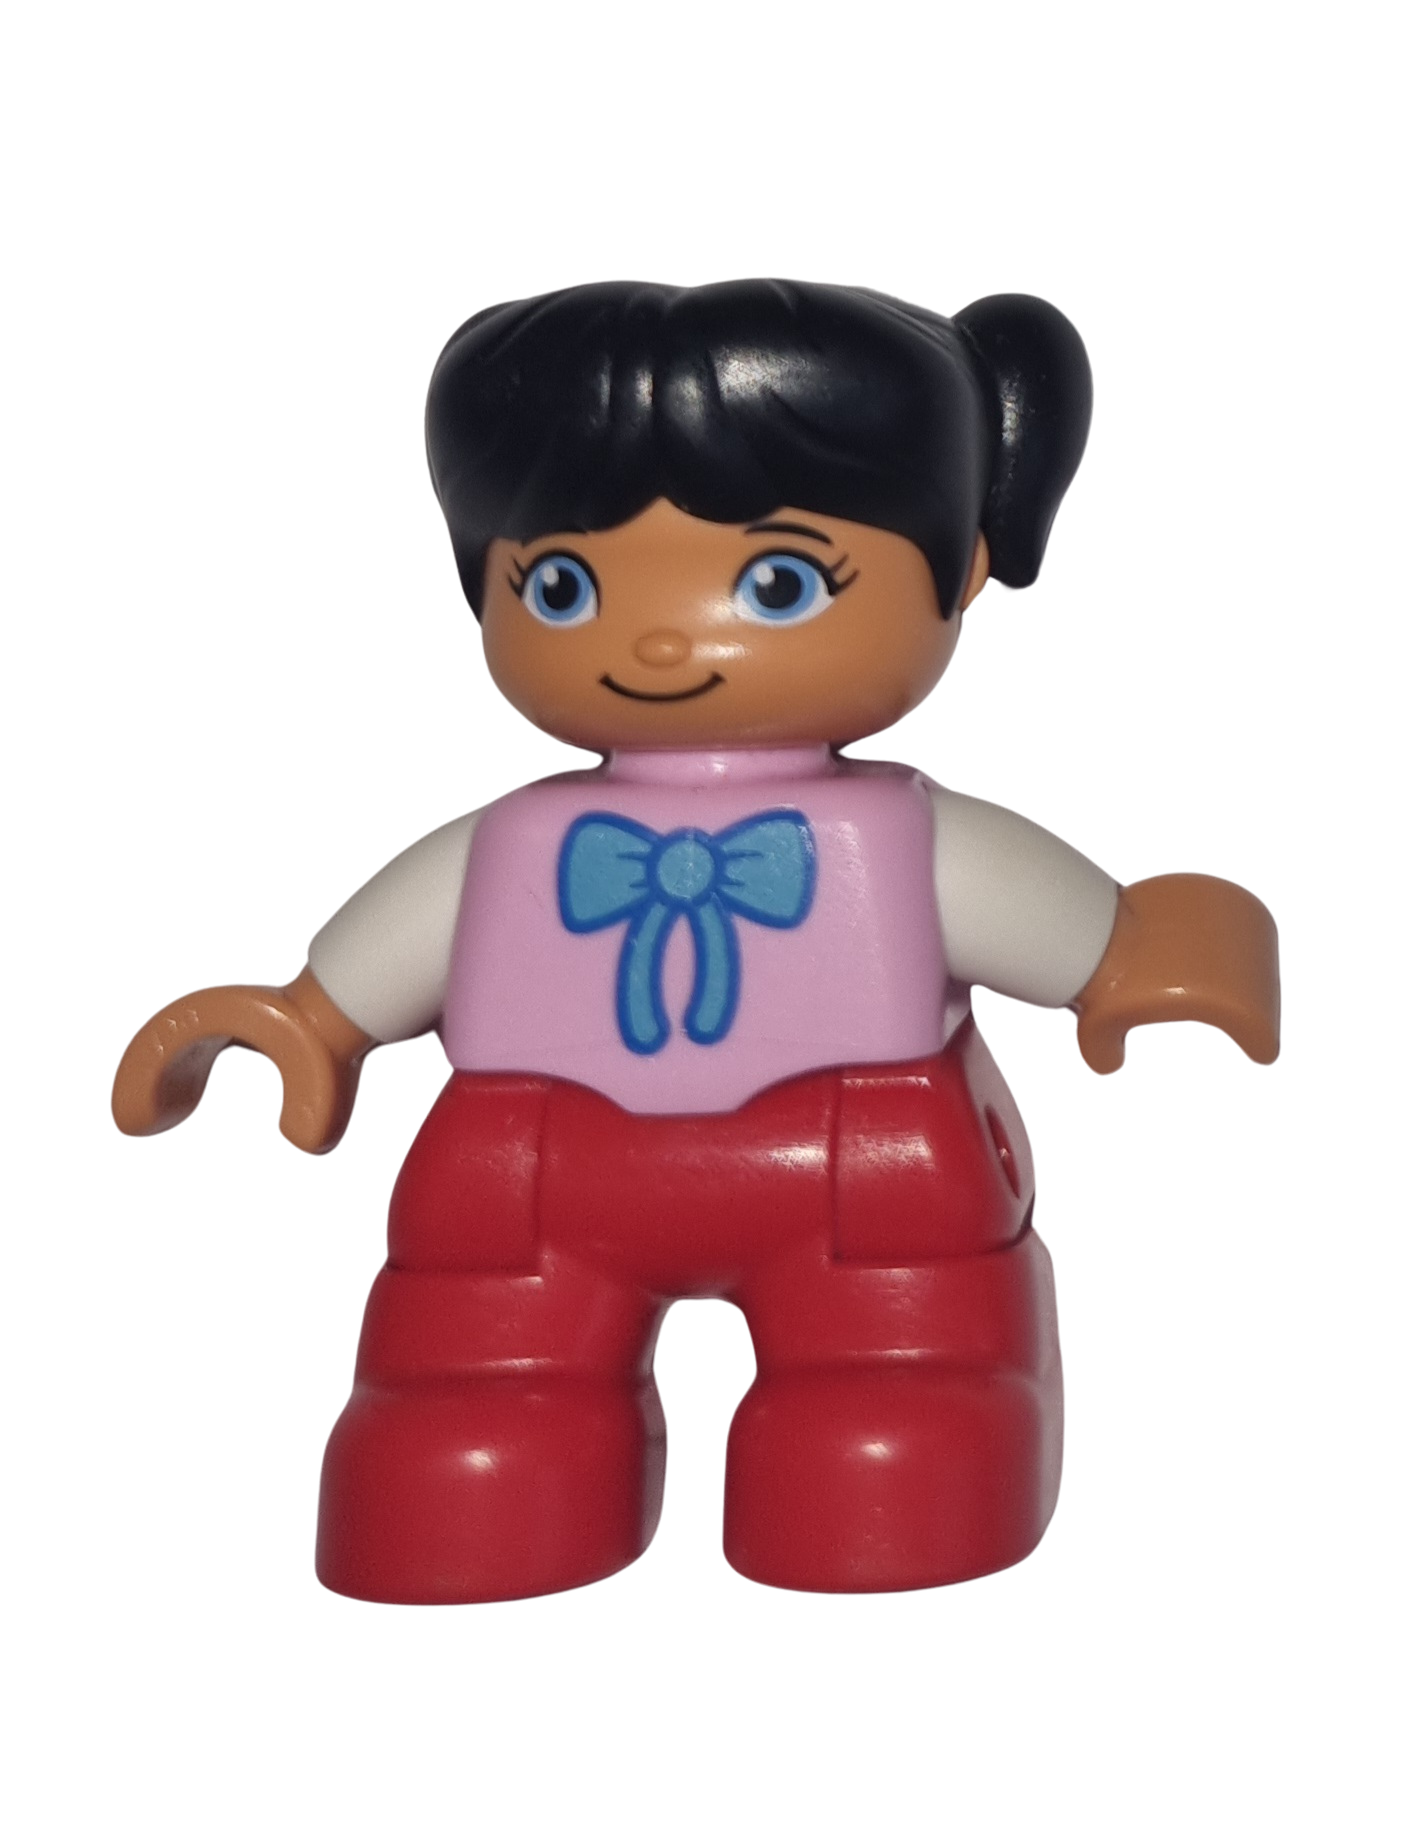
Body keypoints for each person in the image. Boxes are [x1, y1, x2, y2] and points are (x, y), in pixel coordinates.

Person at [111, 280, 1280, 1605]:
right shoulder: (517, 838)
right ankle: (484, 1451)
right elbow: (392, 947)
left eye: (778, 581)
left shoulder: (903, 833)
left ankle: (903, 1423)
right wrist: (307, 1022)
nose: (664, 636)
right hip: (532, 1164)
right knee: (468, 1401)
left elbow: (1076, 921)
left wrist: (1142, 959)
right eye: (563, 584)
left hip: (864, 1161)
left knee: (896, 1405)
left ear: (958, 569)